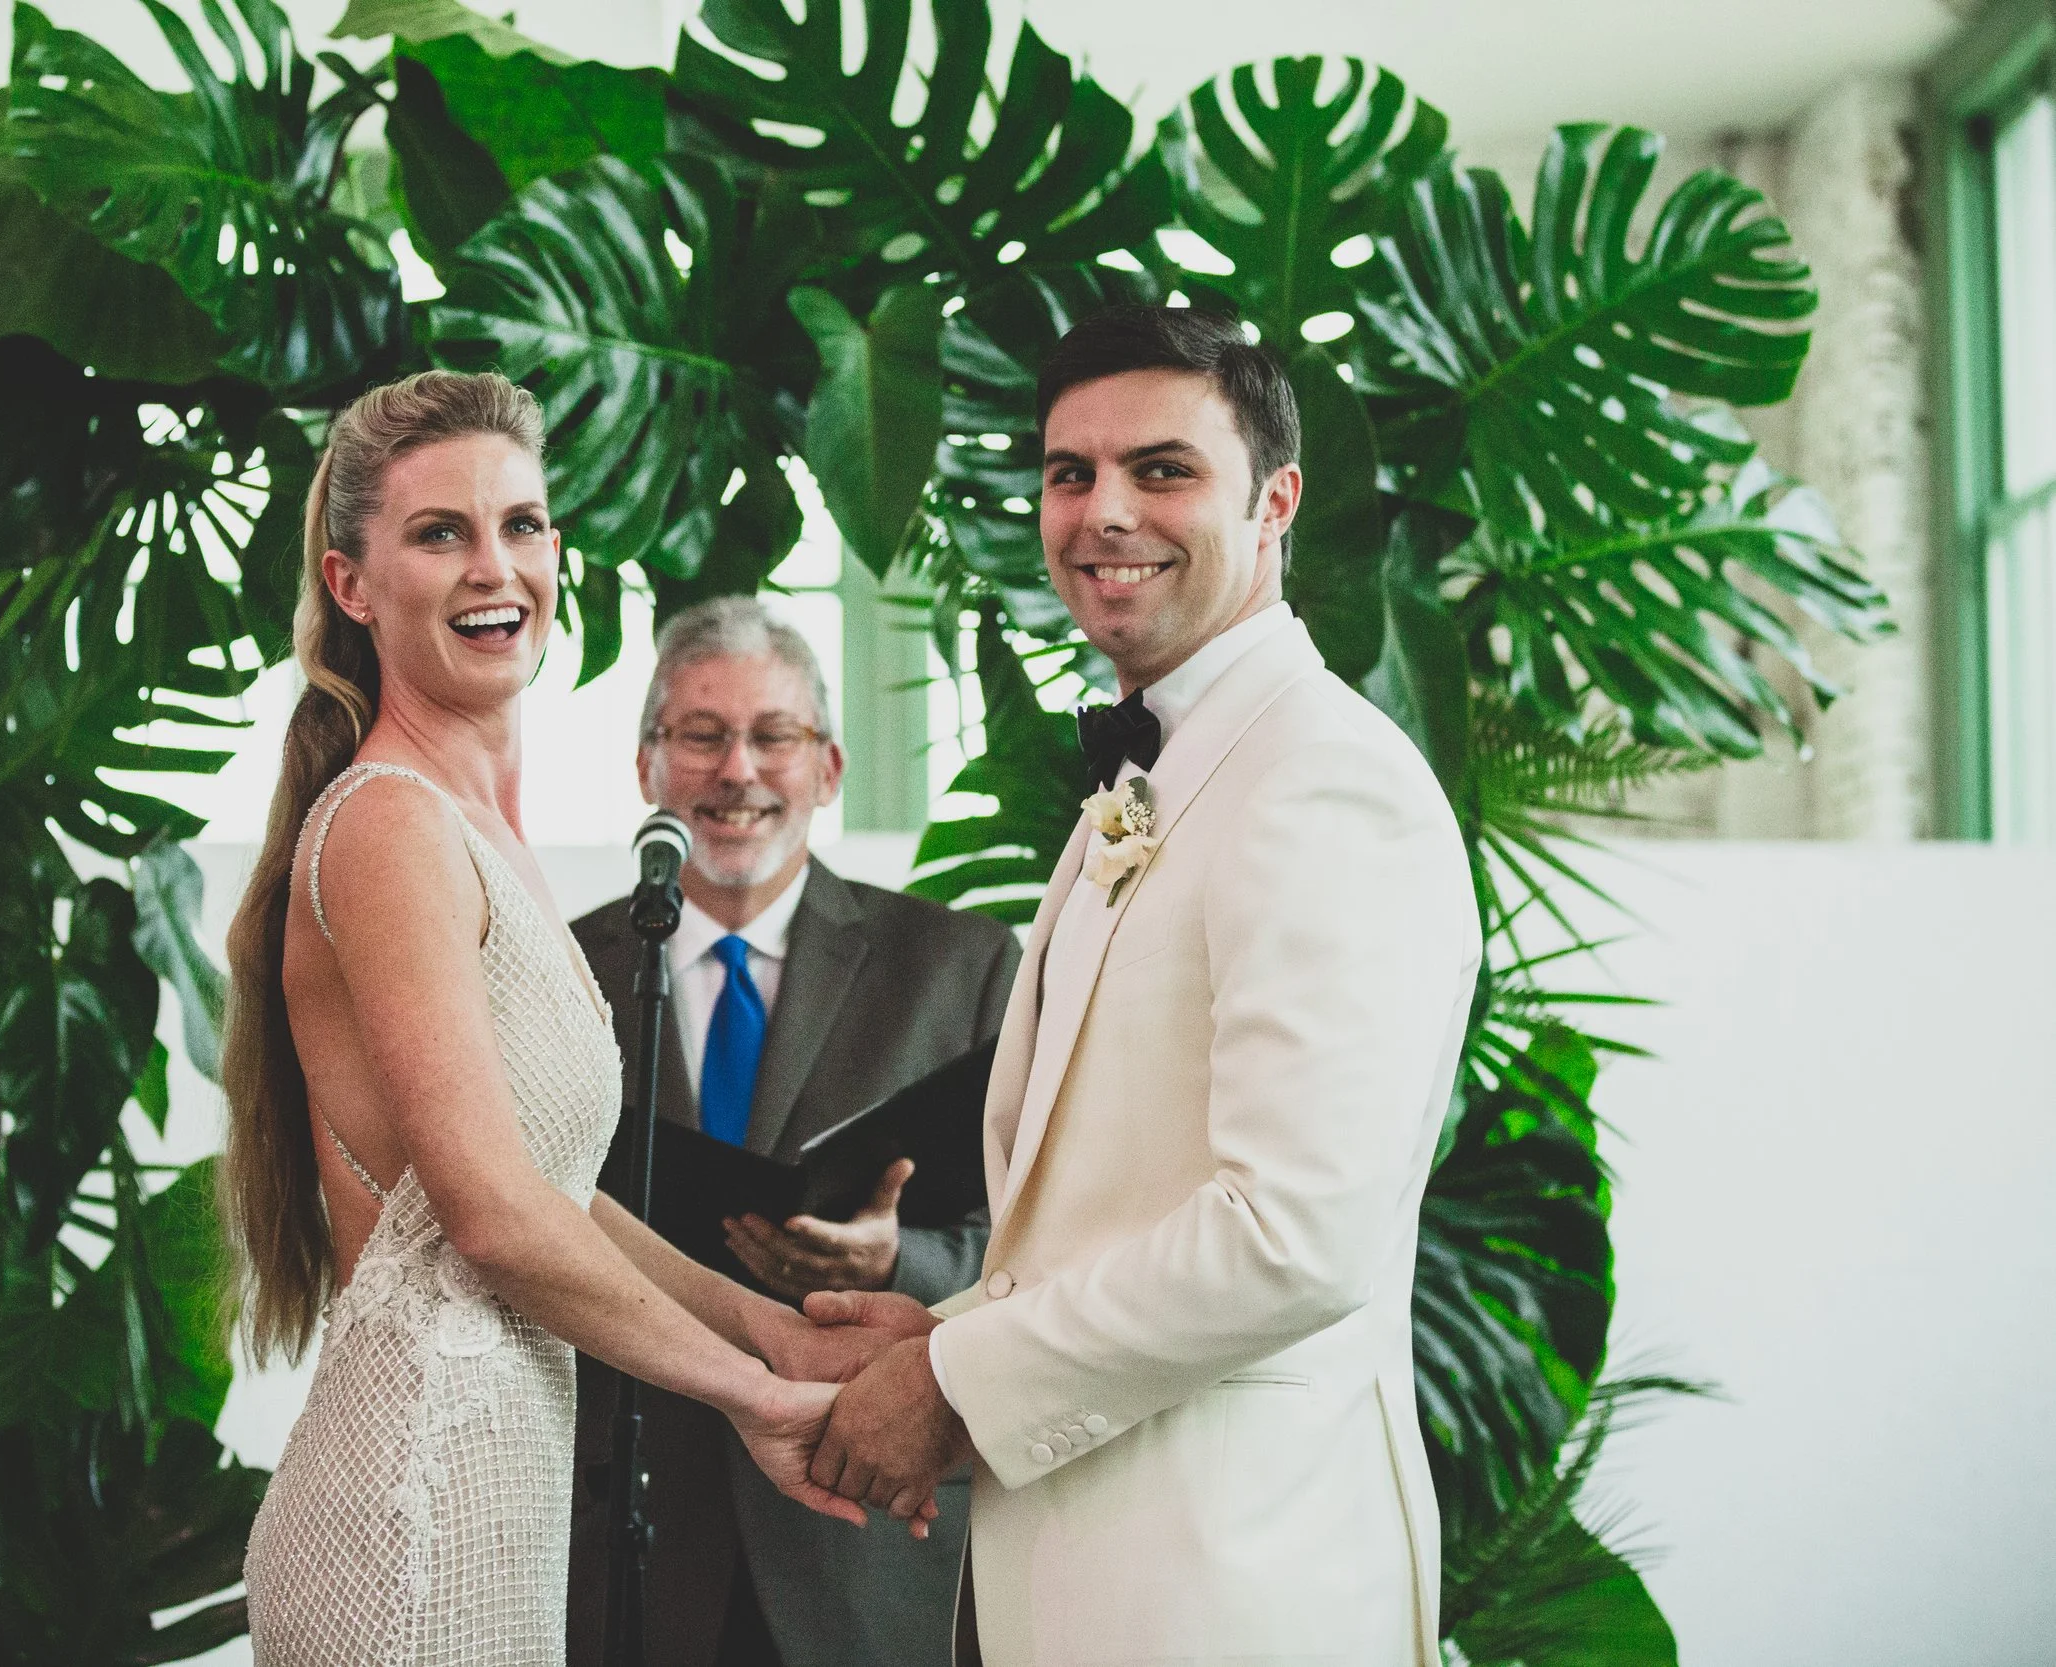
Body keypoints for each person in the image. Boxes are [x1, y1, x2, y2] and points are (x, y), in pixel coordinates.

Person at [800, 307, 1484, 1667]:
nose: (1104, 511)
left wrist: (953, 1380)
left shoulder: (1324, 779)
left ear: (1275, 500)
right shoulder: (1162, 767)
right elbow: (1115, 1208)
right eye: (1071, 473)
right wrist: (945, 1327)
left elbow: (1292, 1231)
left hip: (1232, 1589)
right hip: (1084, 1578)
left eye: (1162, 469)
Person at [219, 372, 918, 1667]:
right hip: (410, 1523)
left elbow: (553, 1190)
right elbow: (494, 1215)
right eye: (441, 532)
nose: (497, 566)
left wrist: (770, 1328)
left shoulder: (477, 829)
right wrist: (753, 1393)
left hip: (494, 1505)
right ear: (351, 583)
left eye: (522, 523)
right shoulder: (388, 823)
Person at [564, 597, 1019, 1667]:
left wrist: (896, 1259)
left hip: (865, 1535)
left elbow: (1034, 1244)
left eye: (774, 735)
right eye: (701, 735)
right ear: (646, 765)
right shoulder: (558, 969)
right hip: (620, 1533)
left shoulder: (961, 969)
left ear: (829, 766)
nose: (738, 770)